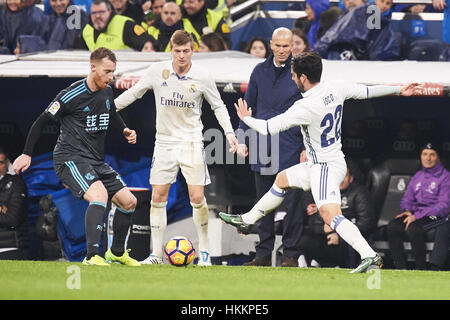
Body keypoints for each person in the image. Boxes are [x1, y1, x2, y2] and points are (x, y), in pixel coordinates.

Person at [219, 51, 420, 273]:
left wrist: (246, 118)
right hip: (322, 163)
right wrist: (399, 89)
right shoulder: (335, 87)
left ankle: (369, 255)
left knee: (330, 215)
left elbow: (268, 128)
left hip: (324, 167)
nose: (292, 79)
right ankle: (247, 219)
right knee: (282, 179)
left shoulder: (305, 107)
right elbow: (366, 91)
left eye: (294, 75)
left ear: (303, 77)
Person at [114, 30, 238, 266]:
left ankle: (204, 252)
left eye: (186, 51)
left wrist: (230, 133)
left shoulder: (202, 76)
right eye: (177, 51)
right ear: (171, 50)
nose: (181, 56)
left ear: (193, 50)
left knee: (197, 197)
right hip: (164, 143)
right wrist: (107, 108)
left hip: (191, 142)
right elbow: (134, 93)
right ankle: (156, 255)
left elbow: (219, 106)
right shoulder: (156, 71)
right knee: (158, 197)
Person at [13, 47, 141, 267]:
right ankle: (91, 256)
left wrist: (124, 130)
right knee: (99, 195)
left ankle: (117, 252)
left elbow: (111, 112)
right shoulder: (71, 95)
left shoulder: (107, 91)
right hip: (69, 158)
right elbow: (41, 121)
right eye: (107, 71)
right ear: (93, 67)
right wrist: (27, 154)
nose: (111, 77)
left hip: (95, 161)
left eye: (113, 72)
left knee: (129, 202)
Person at [235, 28, 306, 267]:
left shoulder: (301, 71)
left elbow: (312, 112)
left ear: (292, 46)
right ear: (271, 45)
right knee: (263, 203)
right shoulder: (259, 71)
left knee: (293, 205)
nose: (283, 50)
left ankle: (290, 255)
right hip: (263, 145)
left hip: (292, 146)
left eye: (287, 46)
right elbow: (248, 108)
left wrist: (307, 147)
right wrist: (242, 139)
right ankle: (263, 254)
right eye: (279, 45)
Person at [298, 158, 376, 268]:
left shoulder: (360, 193)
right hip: (328, 237)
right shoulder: (326, 193)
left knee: (348, 242)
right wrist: (323, 230)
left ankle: (345, 267)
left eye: (345, 176)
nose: (341, 179)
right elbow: (315, 222)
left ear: (351, 178)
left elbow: (366, 222)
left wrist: (340, 235)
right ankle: (314, 265)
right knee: (306, 241)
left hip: (349, 239)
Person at [387, 142, 450, 270]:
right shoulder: (418, 176)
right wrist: (406, 210)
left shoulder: (445, 177)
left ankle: (420, 268)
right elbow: (407, 198)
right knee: (393, 226)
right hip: (415, 214)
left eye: (432, 155)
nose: (428, 158)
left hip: (435, 216)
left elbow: (444, 206)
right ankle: (401, 268)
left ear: (438, 157)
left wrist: (417, 216)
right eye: (424, 154)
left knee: (414, 229)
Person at [71, 0, 155, 51]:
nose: (97, 16)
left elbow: (147, 39)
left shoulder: (126, 23)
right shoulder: (87, 29)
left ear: (109, 11)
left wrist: (148, 45)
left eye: (101, 12)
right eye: (94, 13)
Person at [15, 0, 89, 54]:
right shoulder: (48, 19)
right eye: (54, 0)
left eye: (61, 0)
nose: (58, 3)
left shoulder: (79, 16)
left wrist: (25, 46)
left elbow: (63, 47)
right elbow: (40, 39)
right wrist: (22, 44)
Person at [0, 148, 29, 260]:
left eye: (1, 162)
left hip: (10, 249)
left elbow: (13, 218)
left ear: (7, 163)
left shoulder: (16, 184)